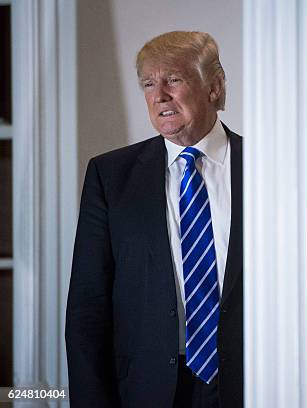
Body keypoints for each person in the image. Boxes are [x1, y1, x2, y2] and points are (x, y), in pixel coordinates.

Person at [65, 31, 243, 408]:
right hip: (148, 390)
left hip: (256, 383)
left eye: (173, 80)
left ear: (214, 86)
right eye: (148, 83)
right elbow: (88, 306)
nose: (158, 95)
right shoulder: (111, 176)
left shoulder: (270, 166)